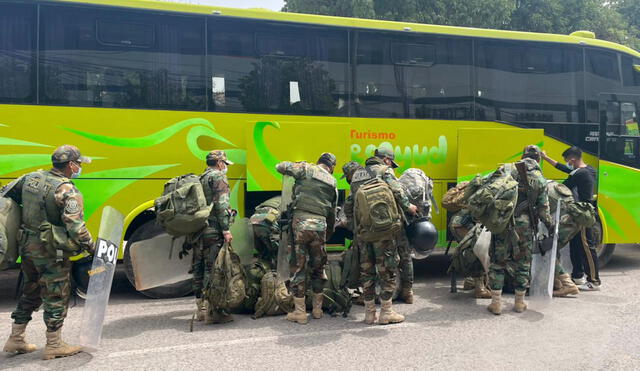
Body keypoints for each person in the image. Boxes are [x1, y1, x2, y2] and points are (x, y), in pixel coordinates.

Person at [3, 145, 94, 360]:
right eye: (79, 164)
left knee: (31, 289)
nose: (80, 167)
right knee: (56, 295)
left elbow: (5, 195)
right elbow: (75, 227)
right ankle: (54, 344)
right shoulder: (67, 190)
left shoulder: (30, 178)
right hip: (52, 251)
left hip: (27, 247)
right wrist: (92, 247)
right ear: (70, 165)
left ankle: (16, 338)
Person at [344, 147, 417, 325]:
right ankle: (386, 312)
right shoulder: (385, 171)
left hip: (363, 232)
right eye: (391, 162)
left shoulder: (357, 175)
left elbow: (350, 204)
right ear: (385, 160)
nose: (391, 165)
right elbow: (398, 193)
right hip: (384, 231)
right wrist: (410, 207)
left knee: (367, 271)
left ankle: (369, 314)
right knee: (387, 270)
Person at [487, 145, 552, 315]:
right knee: (523, 263)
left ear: (523, 155)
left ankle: (496, 304)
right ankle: (519, 303)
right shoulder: (540, 178)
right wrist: (550, 226)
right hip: (525, 226)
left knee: (498, 261)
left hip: (502, 222)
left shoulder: (506, 169)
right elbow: (543, 210)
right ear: (538, 159)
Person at [276, 153, 338, 324]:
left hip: (301, 225)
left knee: (298, 267)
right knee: (318, 267)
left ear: (319, 162)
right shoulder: (333, 182)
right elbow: (332, 212)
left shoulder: (306, 169)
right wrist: (327, 233)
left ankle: (300, 313)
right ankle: (317, 310)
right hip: (321, 226)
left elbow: (280, 166)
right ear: (331, 167)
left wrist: (301, 163)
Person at [542, 146, 600, 291]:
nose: (567, 163)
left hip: (582, 214)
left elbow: (561, 187)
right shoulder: (589, 170)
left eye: (567, 160)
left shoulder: (580, 174)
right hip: (580, 213)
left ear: (573, 159)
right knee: (575, 245)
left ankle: (594, 281)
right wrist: (546, 158)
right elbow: (564, 169)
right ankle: (577, 276)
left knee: (587, 247)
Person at [193, 150, 234, 324]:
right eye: (225, 163)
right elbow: (222, 204)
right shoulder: (218, 177)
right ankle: (213, 312)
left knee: (199, 267)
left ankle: (200, 308)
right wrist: (226, 229)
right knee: (214, 269)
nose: (225, 167)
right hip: (213, 229)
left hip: (198, 229)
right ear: (219, 163)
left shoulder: (201, 178)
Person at [249, 196, 281, 266]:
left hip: (254, 219)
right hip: (270, 219)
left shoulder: (276, 198)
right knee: (278, 252)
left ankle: (261, 269)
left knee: (263, 252)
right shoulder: (289, 198)